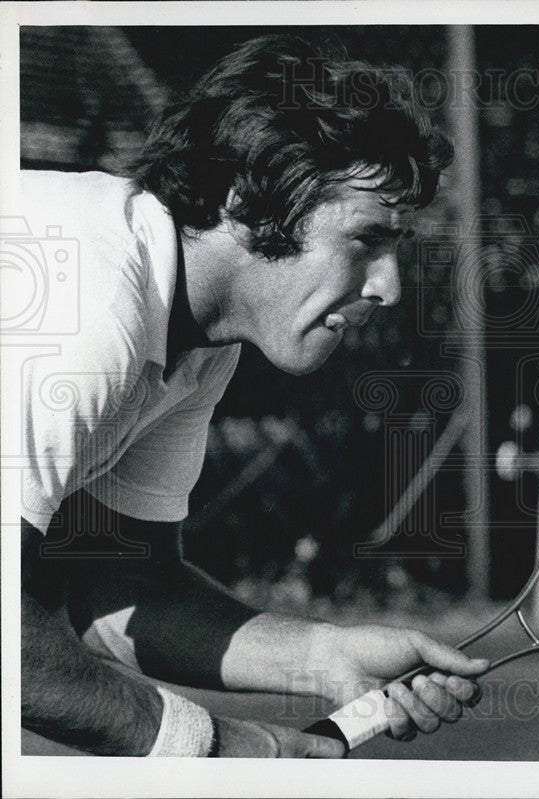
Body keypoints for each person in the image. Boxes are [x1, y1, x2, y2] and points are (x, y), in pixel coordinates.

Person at [19, 34, 488, 758]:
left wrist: (318, 655)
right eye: (366, 238)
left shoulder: (197, 344)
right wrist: (228, 748)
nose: (387, 287)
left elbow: (111, 589)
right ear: (245, 198)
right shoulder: (91, 303)